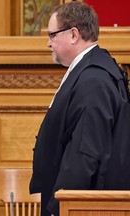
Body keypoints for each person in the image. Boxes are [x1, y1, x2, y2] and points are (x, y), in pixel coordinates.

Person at [29, 1, 130, 216]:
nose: (48, 43)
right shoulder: (91, 70)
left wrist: (60, 206)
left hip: (82, 206)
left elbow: (85, 153)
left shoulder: (93, 79)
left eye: (52, 35)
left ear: (73, 34)